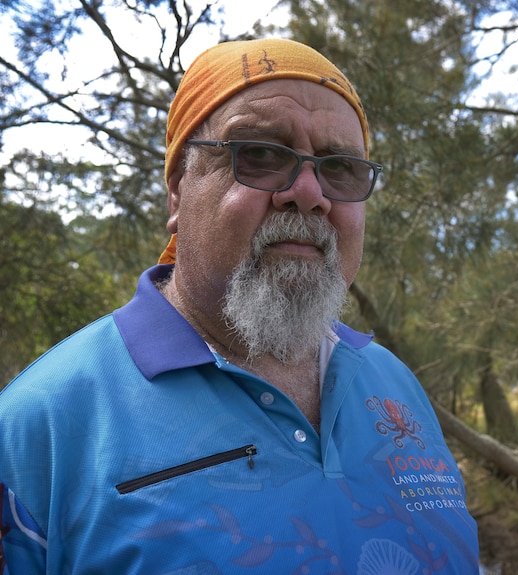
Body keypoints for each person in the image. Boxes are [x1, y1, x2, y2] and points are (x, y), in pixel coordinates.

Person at [0, 38, 480, 574]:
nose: (309, 192)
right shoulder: (39, 428)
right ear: (179, 192)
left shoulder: (394, 385)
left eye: (340, 167)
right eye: (261, 154)